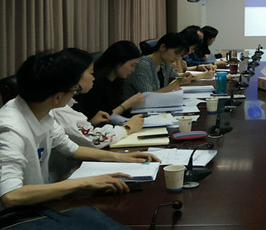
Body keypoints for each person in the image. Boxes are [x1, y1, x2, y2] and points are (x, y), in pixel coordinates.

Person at [0, 51, 159, 210]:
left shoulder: (43, 111)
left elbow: (71, 149)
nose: (74, 95)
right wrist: (83, 183)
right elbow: (11, 196)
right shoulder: (10, 129)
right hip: (17, 215)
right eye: (74, 90)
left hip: (41, 202)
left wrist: (121, 157)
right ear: (57, 97)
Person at [52, 48, 144, 150]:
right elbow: (95, 140)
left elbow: (76, 132)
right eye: (91, 73)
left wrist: (91, 123)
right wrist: (127, 128)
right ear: (75, 76)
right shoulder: (59, 108)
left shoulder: (69, 102)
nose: (93, 78)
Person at [74, 41, 146, 119]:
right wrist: (128, 104)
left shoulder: (117, 81)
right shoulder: (94, 83)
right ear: (118, 62)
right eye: (132, 65)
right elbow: (102, 117)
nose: (133, 70)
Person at [124, 33, 194, 98]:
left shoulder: (165, 63)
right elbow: (148, 97)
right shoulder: (142, 65)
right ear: (163, 47)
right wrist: (177, 83)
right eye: (176, 53)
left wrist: (184, 78)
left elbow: (175, 77)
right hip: (138, 107)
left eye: (180, 55)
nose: (177, 58)